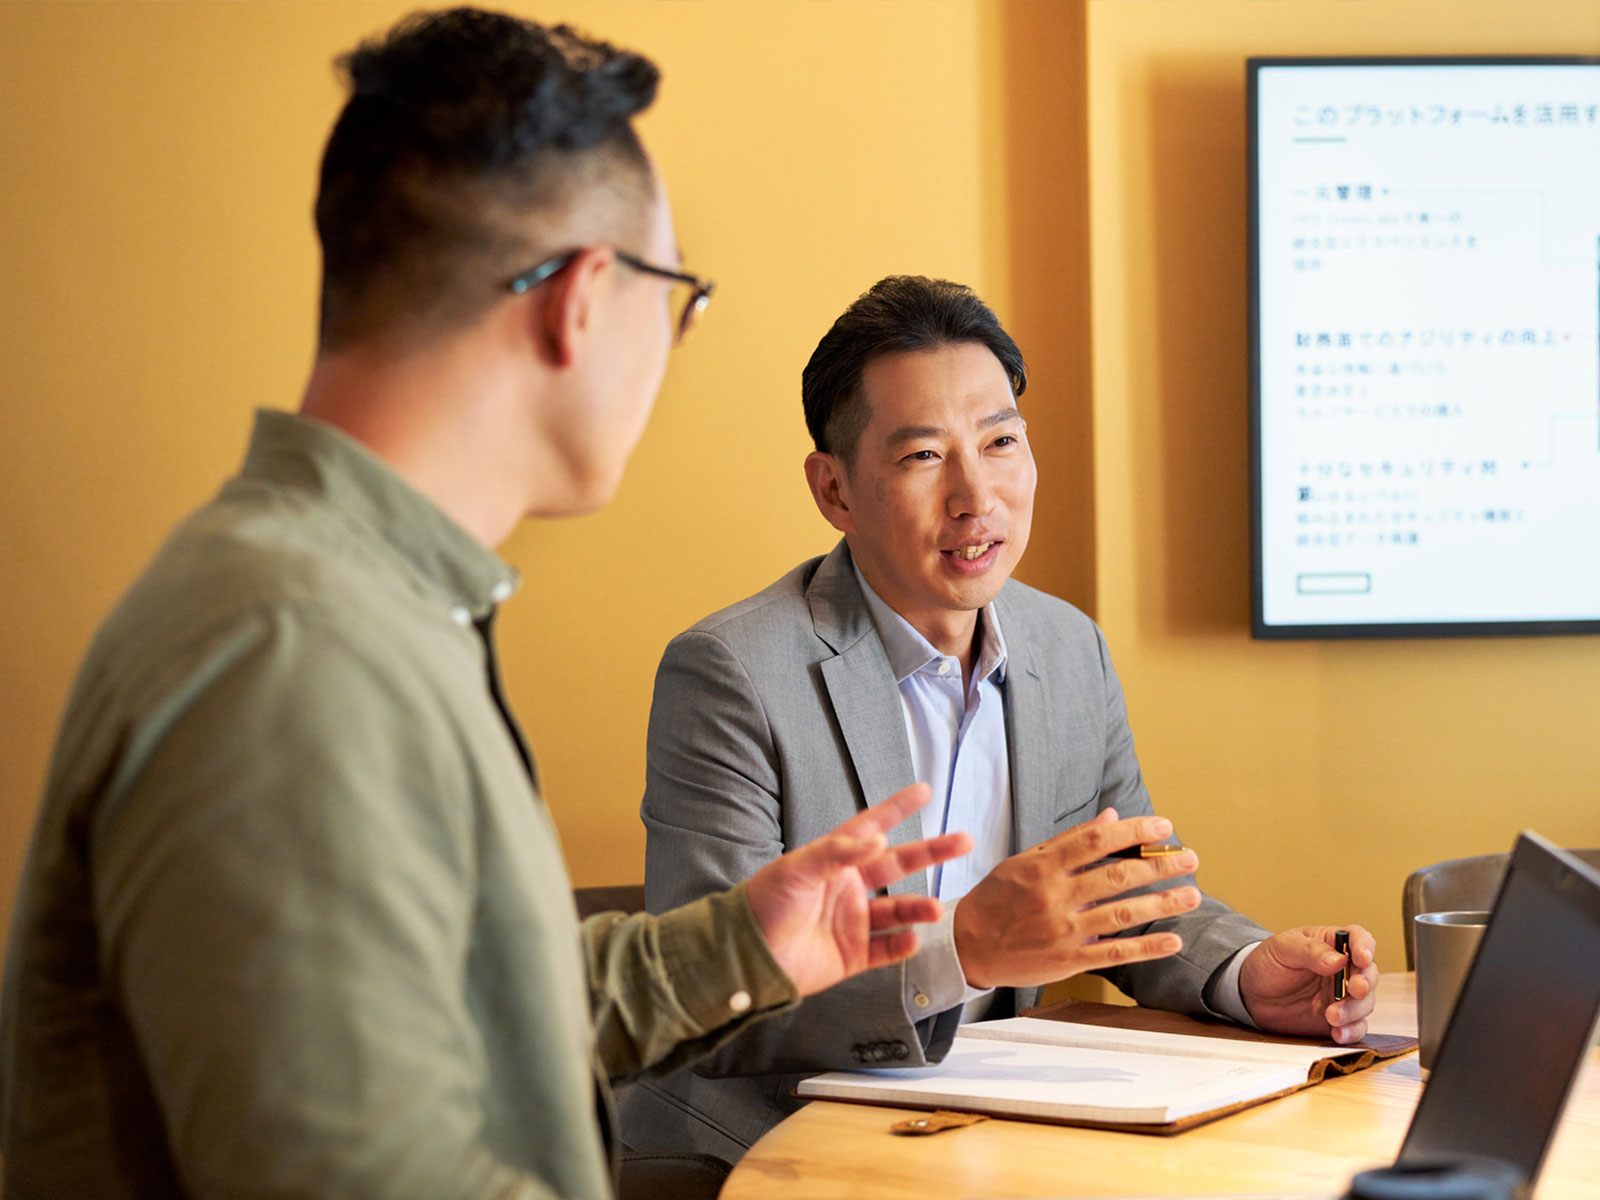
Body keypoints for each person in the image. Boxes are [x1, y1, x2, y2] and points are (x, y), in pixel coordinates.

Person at [0, 16, 972, 1200]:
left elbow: (448, 1013)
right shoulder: (295, 650)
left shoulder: (357, 602)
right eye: (678, 303)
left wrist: (740, 948)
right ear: (580, 298)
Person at [618, 275, 1381, 1161]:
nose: (975, 496)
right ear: (834, 491)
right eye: (922, 457)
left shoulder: (1066, 648)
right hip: (761, 1144)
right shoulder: (733, 674)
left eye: (1000, 441)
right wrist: (960, 951)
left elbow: (1121, 895)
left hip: (979, 1137)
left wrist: (1250, 975)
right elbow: (709, 1003)